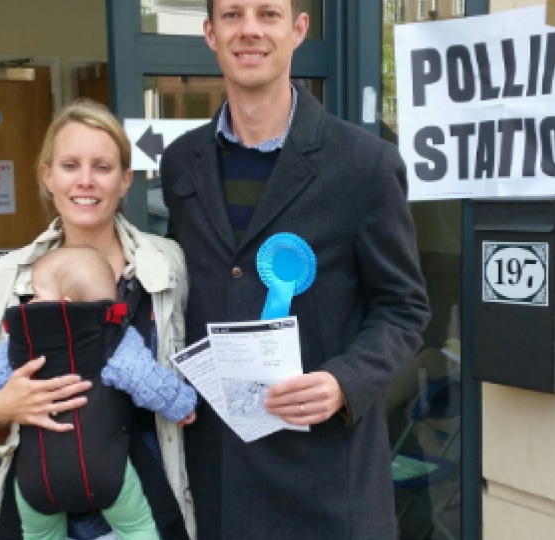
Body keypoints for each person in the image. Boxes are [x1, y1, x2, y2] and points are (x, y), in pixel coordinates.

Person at [160, 1, 431, 539]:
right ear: (211, 33)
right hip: (218, 473)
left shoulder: (364, 164)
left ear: (298, 29)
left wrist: (343, 381)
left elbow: (403, 308)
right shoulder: (181, 162)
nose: (250, 30)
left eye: (268, 13)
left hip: (325, 480)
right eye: (233, 15)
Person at [0, 99, 195, 540]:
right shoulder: (9, 275)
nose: (86, 180)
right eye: (70, 165)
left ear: (125, 180)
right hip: (41, 505)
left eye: (103, 166)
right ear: (47, 175)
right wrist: (3, 408)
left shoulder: (167, 263)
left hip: (142, 504)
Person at [0, 246, 196, 540]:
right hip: (108, 472)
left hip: (37, 478)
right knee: (140, 529)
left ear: (64, 303)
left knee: (39, 534)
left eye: (37, 295)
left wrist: (4, 397)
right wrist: (182, 405)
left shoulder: (20, 345)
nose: (30, 301)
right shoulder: (113, 338)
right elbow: (148, 380)